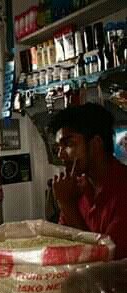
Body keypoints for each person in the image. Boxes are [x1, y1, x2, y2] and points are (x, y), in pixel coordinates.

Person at [49, 103, 127, 259]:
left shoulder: (122, 189)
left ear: (96, 144)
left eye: (69, 144)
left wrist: (67, 205)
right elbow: (63, 244)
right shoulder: (78, 188)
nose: (61, 154)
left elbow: (108, 261)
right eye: (58, 147)